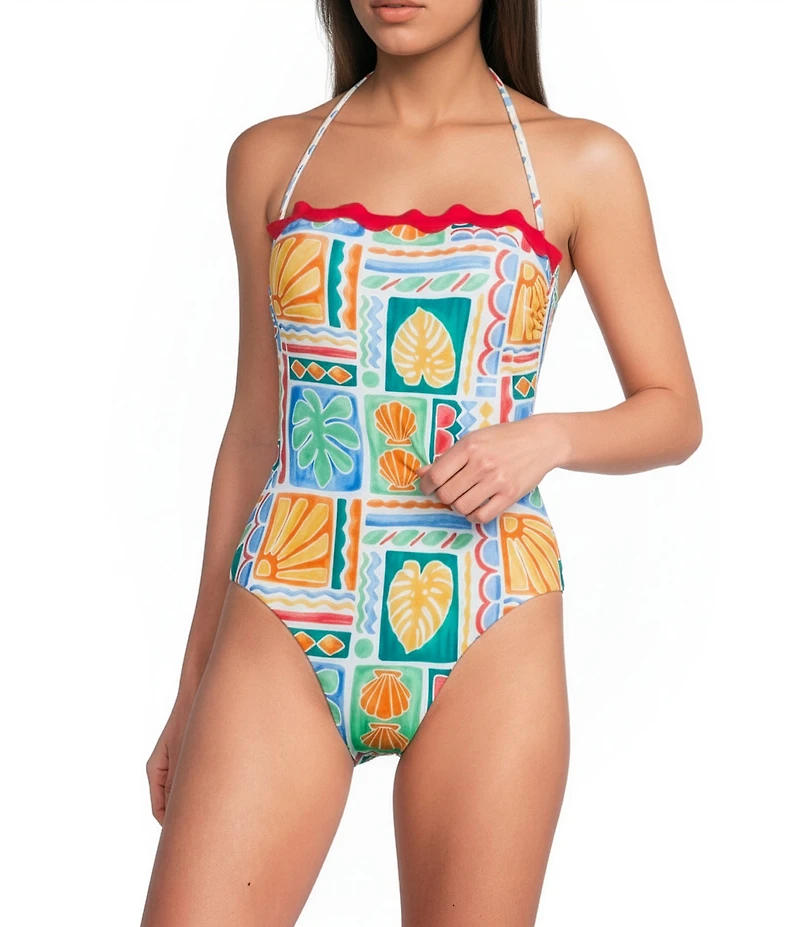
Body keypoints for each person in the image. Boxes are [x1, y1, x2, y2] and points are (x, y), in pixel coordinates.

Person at [140, 1, 702, 924]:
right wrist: (190, 684)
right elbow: (254, 429)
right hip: (289, 601)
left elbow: (673, 410)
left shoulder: (579, 162)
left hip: (490, 608)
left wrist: (549, 438)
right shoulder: (273, 159)